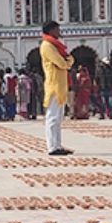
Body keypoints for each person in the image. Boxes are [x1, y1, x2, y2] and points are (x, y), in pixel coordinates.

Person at [40, 21, 74, 156]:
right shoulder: (47, 46)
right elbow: (62, 63)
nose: (59, 32)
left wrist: (68, 61)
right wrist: (68, 61)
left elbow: (68, 60)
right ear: (51, 30)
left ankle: (58, 145)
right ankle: (52, 147)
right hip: (54, 85)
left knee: (58, 117)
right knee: (52, 117)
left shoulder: (56, 46)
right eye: (57, 29)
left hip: (60, 85)